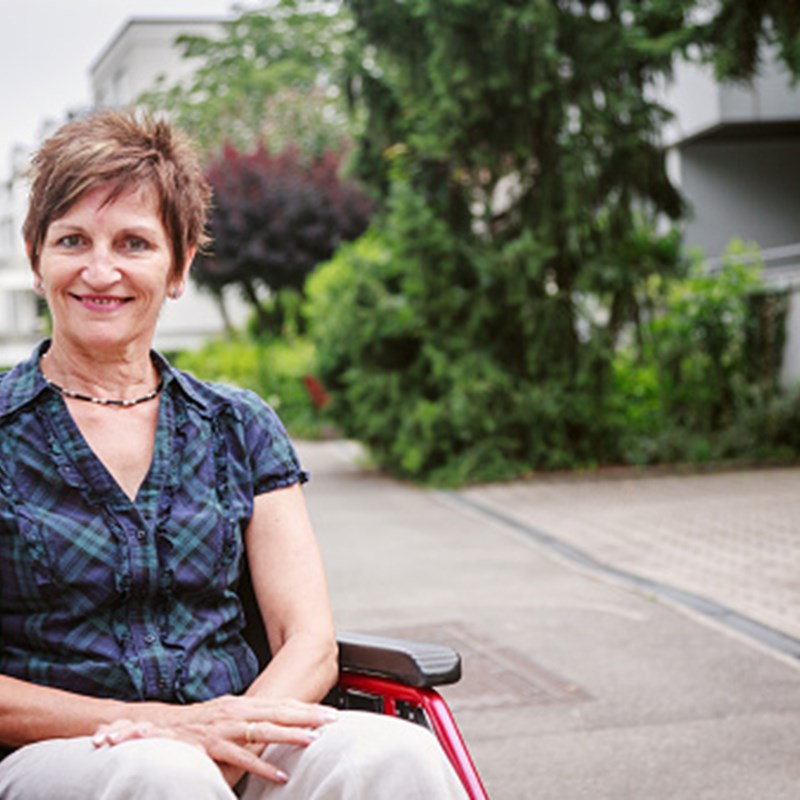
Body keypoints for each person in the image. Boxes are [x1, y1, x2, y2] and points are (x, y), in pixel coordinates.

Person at [0, 110, 468, 799]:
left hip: (242, 736)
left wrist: (231, 733)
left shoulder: (237, 425)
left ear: (180, 265)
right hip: (67, 749)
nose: (101, 270)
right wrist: (164, 729)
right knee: (163, 772)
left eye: (134, 243)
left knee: (395, 756)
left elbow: (306, 639)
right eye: (73, 240)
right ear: (37, 259)